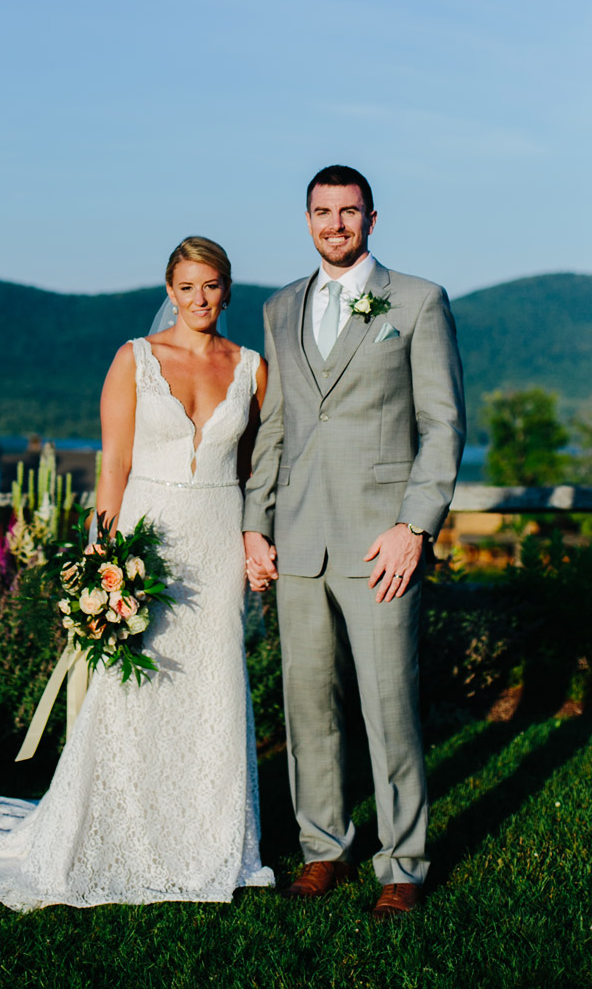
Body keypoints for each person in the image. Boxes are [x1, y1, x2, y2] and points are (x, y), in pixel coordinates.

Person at [0, 236, 274, 909]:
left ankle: (207, 841)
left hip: (217, 541)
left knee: (212, 684)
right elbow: (111, 467)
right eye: (187, 286)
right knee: (132, 688)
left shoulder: (251, 367)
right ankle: (118, 828)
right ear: (169, 291)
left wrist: (258, 541)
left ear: (228, 290)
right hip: (147, 539)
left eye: (212, 285)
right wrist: (101, 560)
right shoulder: (133, 360)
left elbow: (255, 469)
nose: (200, 298)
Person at [243, 166, 465, 919]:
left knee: (387, 702)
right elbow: (273, 429)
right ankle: (322, 847)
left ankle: (402, 860)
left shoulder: (418, 300)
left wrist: (415, 526)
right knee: (307, 705)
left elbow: (441, 424)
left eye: (347, 211)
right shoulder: (278, 307)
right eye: (320, 212)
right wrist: (253, 523)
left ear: (371, 217)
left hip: (381, 544)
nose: (333, 224)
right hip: (297, 537)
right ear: (305, 219)